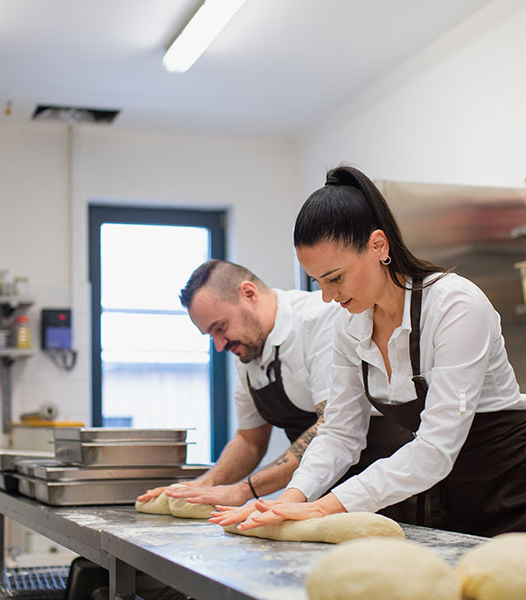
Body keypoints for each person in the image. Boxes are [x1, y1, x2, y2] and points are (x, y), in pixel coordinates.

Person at [211, 166, 526, 537]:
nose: (327, 296)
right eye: (318, 282)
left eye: (336, 278)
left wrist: (324, 506)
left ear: (378, 246)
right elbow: (340, 433)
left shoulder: (455, 306)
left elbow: (436, 447)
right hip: (439, 495)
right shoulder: (351, 325)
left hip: (508, 492)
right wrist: (291, 499)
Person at [136, 259, 342, 507]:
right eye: (210, 335)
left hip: (372, 487)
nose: (220, 345)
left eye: (220, 328)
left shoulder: (318, 320)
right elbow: (250, 441)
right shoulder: (246, 349)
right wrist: (203, 485)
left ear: (249, 294)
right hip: (318, 495)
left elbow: (330, 427)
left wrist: (245, 490)